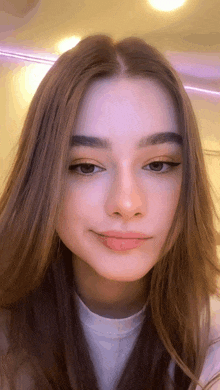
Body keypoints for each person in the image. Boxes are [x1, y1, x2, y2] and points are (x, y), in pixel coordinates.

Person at [0, 33, 220, 390]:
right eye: (86, 167)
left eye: (159, 165)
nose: (127, 204)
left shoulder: (211, 345)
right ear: (42, 179)